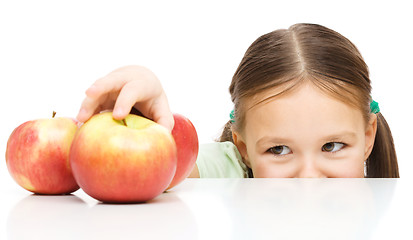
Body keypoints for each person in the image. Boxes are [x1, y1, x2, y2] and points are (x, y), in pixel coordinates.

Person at [77, 23, 399, 178]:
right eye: (279, 150)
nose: (309, 179)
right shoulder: (230, 169)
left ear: (368, 136)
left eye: (332, 146)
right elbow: (159, 173)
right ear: (243, 148)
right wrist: (143, 123)